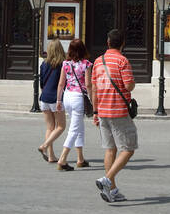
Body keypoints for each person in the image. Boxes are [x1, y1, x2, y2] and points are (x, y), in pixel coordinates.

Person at [91, 29, 137, 204]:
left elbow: (94, 89)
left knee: (110, 149)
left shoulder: (98, 61)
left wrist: (95, 112)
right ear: (122, 43)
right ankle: (107, 180)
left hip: (102, 110)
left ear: (108, 42)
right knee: (128, 148)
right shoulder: (122, 61)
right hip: (118, 111)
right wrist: (132, 83)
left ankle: (112, 190)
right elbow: (128, 85)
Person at [55, 39, 93, 170]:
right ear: (83, 50)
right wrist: (92, 99)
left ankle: (80, 158)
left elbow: (61, 83)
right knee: (74, 129)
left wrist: (58, 100)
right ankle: (62, 159)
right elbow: (88, 84)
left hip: (67, 96)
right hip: (78, 98)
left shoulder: (65, 64)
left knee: (79, 126)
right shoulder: (86, 64)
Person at [37, 40, 66, 163]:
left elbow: (42, 83)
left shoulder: (44, 64)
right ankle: (44, 146)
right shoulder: (62, 64)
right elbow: (63, 82)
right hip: (56, 98)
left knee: (50, 127)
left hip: (44, 98)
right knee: (61, 126)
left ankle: (51, 155)